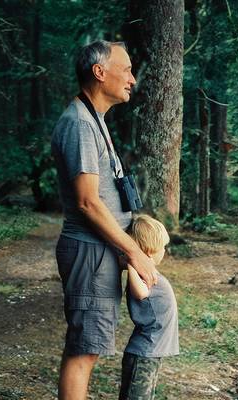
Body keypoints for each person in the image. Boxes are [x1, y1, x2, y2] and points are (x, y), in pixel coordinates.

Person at [51, 40, 158, 400]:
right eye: (126, 69)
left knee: (88, 347)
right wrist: (135, 252)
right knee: (83, 351)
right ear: (100, 72)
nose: (132, 78)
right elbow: (87, 202)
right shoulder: (79, 123)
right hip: (90, 253)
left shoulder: (93, 120)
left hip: (99, 252)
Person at [119, 214, 179, 400]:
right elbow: (141, 293)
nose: (164, 251)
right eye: (162, 247)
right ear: (149, 251)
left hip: (151, 352)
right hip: (144, 352)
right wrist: (132, 262)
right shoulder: (141, 275)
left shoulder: (147, 273)